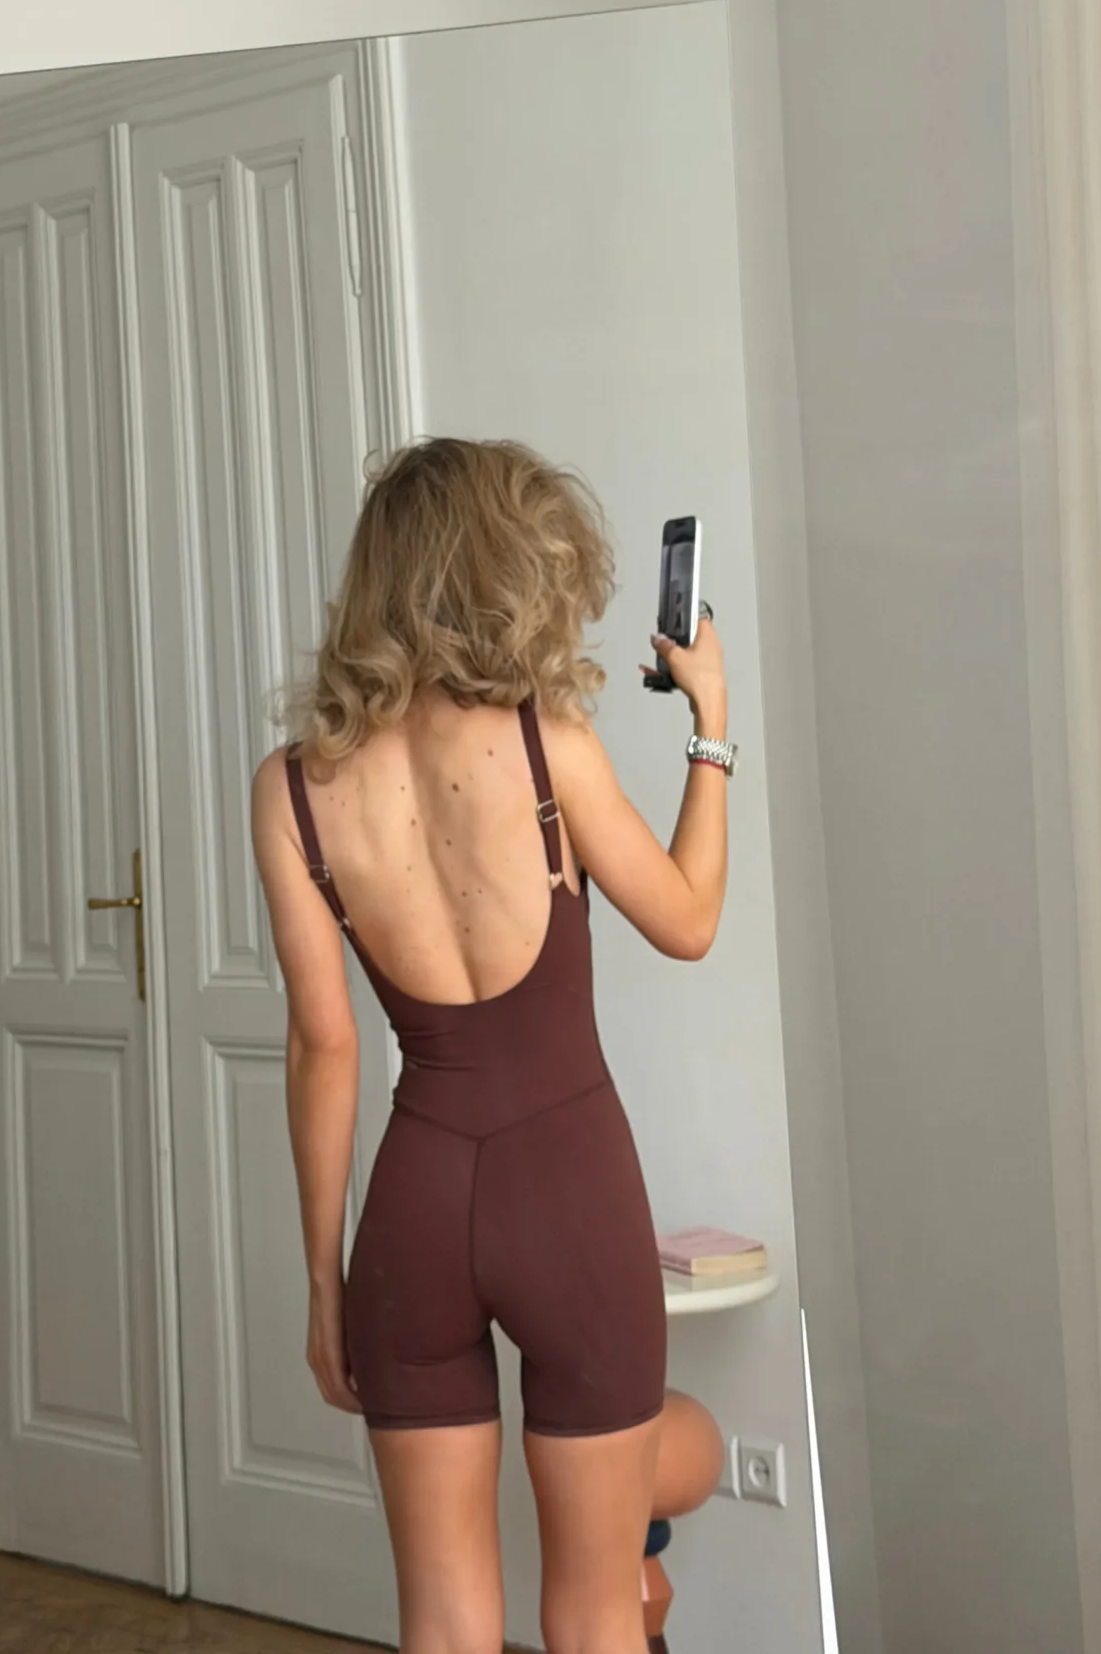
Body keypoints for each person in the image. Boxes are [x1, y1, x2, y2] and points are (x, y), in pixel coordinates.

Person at [251, 438, 734, 1654]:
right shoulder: (542, 743)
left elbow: (324, 1046)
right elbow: (689, 921)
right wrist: (711, 725)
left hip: (414, 1208)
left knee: (444, 1623)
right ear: (497, 568)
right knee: (596, 1612)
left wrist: (324, 1282)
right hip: (569, 1189)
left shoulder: (292, 789)